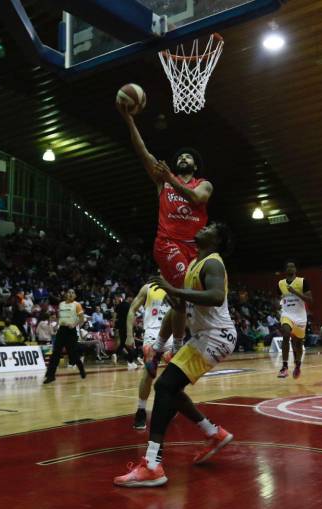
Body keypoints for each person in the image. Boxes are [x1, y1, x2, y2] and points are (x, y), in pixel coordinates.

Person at [114, 222, 235, 488]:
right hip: (203, 336)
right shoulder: (194, 264)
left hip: (216, 336)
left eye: (212, 227)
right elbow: (176, 310)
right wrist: (160, 345)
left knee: (166, 387)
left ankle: (153, 465)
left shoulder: (213, 262)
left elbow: (215, 296)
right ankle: (212, 432)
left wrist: (175, 290)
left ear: (216, 241)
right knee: (165, 386)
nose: (205, 226)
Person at [118, 103, 214, 368]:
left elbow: (196, 197)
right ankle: (179, 346)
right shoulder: (162, 180)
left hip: (195, 249)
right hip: (168, 243)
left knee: (181, 301)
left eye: (188, 157)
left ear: (195, 165)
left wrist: (170, 178)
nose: (183, 158)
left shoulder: (203, 184)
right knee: (182, 291)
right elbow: (142, 151)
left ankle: (162, 348)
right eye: (180, 156)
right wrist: (128, 120)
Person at [127, 280, 175, 430]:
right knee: (148, 373)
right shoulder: (148, 288)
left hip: (171, 336)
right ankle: (141, 410)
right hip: (152, 335)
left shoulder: (177, 287)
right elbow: (131, 310)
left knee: (176, 375)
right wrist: (129, 335)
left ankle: (171, 405)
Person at [277, 261, 313, 379]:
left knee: (298, 343)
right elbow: (278, 300)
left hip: (300, 316)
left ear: (295, 269)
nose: (290, 268)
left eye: (292, 266)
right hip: (287, 314)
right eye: (288, 267)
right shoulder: (280, 283)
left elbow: (310, 300)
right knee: (286, 334)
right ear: (285, 270)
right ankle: (284, 366)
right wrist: (278, 304)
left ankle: (297, 365)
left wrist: (295, 292)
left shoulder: (303, 281)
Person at [43, 289, 86, 384]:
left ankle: (81, 369)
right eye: (69, 292)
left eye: (72, 292)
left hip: (71, 331)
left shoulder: (77, 305)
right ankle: (50, 376)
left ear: (74, 296)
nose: (70, 294)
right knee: (55, 353)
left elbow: (82, 319)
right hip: (61, 331)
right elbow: (60, 317)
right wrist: (57, 325)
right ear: (66, 294)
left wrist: (74, 325)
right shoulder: (61, 304)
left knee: (73, 354)